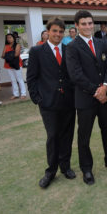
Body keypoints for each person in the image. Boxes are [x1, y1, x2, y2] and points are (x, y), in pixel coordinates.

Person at [66, 10, 107, 186]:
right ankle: (87, 169)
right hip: (85, 98)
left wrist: (105, 87)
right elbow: (76, 75)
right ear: (76, 26)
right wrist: (96, 91)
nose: (87, 26)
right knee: (84, 135)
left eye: (90, 23)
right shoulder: (72, 47)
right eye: (83, 24)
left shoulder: (101, 43)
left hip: (104, 96)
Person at [26, 17, 76, 188]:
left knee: (67, 135)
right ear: (48, 32)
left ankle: (66, 166)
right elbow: (31, 78)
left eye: (61, 32)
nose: (58, 34)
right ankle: (51, 171)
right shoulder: (37, 51)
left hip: (68, 102)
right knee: (53, 136)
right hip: (48, 103)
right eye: (54, 31)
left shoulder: (69, 49)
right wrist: (37, 99)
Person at [1, 33, 27, 99]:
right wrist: (10, 54)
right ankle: (16, 94)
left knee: (19, 79)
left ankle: (23, 93)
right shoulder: (6, 46)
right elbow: (2, 55)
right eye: (7, 38)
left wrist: (7, 55)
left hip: (16, 64)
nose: (9, 39)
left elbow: (16, 54)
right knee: (13, 80)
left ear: (13, 38)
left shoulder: (17, 45)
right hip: (8, 65)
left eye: (10, 37)